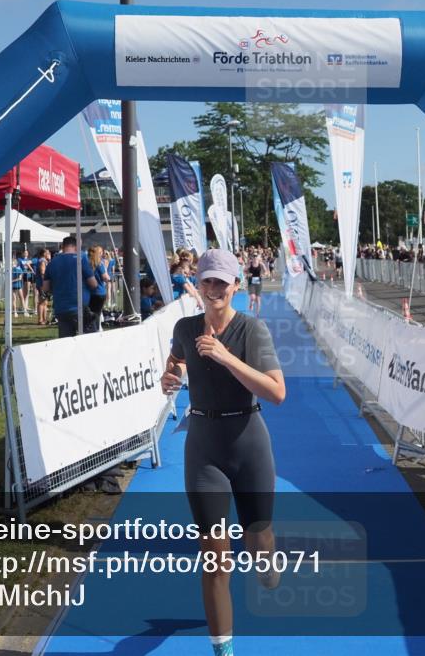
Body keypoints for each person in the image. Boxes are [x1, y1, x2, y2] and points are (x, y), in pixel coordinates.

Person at [160, 249, 286, 656]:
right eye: (206, 280)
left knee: (258, 539)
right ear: (198, 283)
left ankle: (267, 562)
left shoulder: (252, 331)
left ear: (236, 286)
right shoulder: (184, 327)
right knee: (214, 554)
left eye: (221, 282)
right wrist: (172, 375)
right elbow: (177, 360)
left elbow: (277, 392)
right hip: (204, 446)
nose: (213, 288)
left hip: (249, 441)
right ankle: (223, 650)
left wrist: (226, 356)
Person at [41, 236, 98, 337]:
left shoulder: (52, 263)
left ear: (62, 246)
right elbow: (94, 284)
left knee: (66, 343)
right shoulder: (80, 260)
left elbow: (45, 288)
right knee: (90, 341)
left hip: (61, 308)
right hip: (79, 308)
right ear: (75, 246)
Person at [86, 245, 108, 332]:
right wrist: (108, 277)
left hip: (90, 292)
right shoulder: (99, 264)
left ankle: (93, 329)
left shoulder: (87, 264)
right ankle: (96, 330)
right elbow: (105, 277)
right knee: (97, 313)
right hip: (99, 292)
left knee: (91, 312)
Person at [245, 251, 268, 317]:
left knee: (258, 298)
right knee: (253, 297)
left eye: (256, 256)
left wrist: (263, 274)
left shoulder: (261, 264)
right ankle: (251, 303)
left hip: (259, 282)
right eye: (254, 256)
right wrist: (248, 274)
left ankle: (257, 313)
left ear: (258, 257)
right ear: (252, 257)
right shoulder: (250, 264)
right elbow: (244, 270)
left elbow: (266, 272)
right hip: (251, 282)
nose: (255, 257)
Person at [35, 249, 51, 326]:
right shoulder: (42, 261)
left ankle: (44, 319)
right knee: (42, 302)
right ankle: (40, 320)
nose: (49, 254)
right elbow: (42, 272)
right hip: (42, 284)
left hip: (43, 283)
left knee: (45, 302)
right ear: (44, 254)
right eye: (47, 253)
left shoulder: (44, 260)